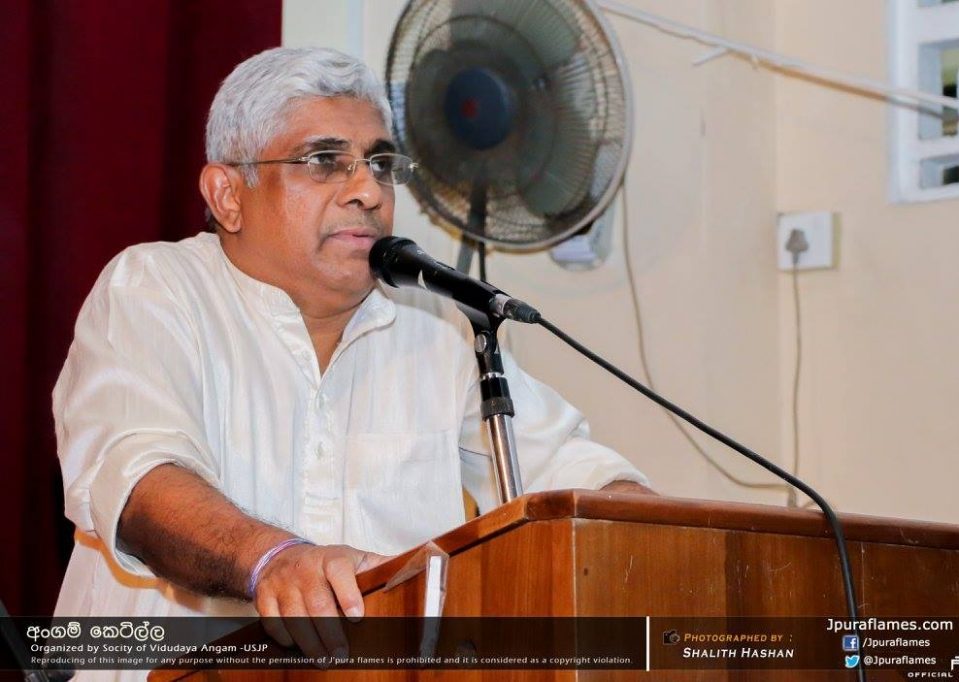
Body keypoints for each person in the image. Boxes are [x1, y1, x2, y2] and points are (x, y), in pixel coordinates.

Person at [52, 46, 650, 668]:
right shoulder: (155, 288)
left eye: (381, 165)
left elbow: (575, 474)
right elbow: (140, 482)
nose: (367, 191)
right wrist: (273, 561)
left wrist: (656, 531)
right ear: (228, 195)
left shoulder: (436, 327)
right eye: (324, 161)